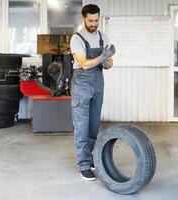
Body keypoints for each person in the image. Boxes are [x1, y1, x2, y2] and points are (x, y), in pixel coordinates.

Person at [70, 4, 116, 181]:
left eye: (97, 20)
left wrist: (108, 62)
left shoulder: (104, 36)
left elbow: (109, 63)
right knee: (81, 127)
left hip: (98, 83)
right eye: (91, 20)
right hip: (82, 83)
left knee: (93, 126)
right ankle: (83, 166)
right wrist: (102, 57)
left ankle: (89, 160)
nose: (94, 24)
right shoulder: (77, 38)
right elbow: (84, 63)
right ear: (84, 19)